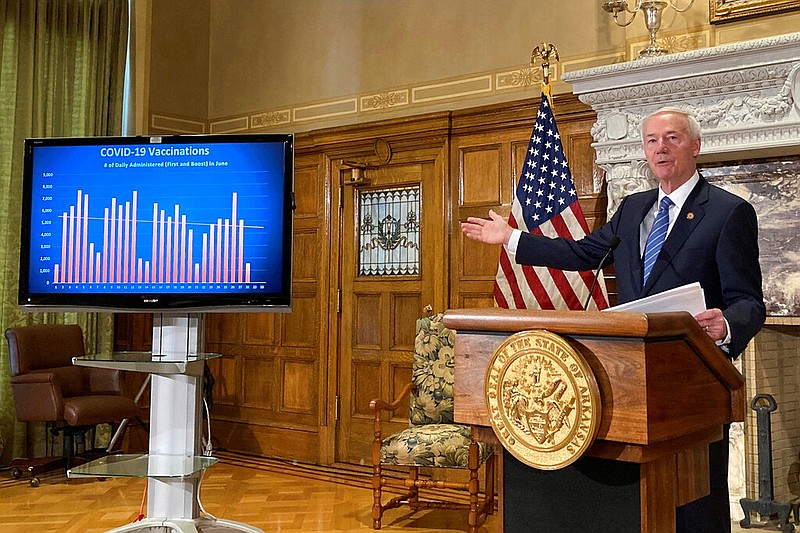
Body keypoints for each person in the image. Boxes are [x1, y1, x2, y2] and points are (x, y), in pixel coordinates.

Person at [462, 107, 766, 533]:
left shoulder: (727, 211)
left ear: (695, 146)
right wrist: (511, 238)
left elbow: (749, 301)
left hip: (692, 378)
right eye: (652, 140)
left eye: (672, 138)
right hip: (632, 376)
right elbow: (582, 254)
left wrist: (727, 325)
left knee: (694, 507)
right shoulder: (633, 208)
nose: (660, 148)